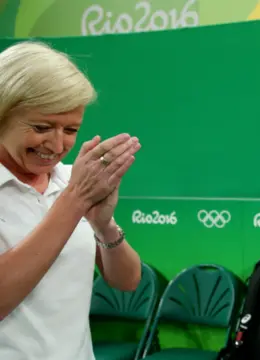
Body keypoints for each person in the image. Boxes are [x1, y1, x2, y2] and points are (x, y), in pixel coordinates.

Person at [0, 41, 142, 360]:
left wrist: (103, 225)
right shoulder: (76, 190)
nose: (56, 144)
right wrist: (74, 201)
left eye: (71, 129)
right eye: (41, 127)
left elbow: (128, 281)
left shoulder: (69, 179)